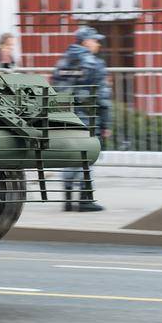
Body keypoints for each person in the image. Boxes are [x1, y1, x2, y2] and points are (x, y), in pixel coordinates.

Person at [52, 26, 111, 212]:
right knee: (88, 155)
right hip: (88, 117)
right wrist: (106, 122)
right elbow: (102, 96)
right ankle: (85, 200)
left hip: (66, 117)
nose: (98, 44)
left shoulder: (62, 62)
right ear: (86, 42)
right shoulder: (94, 63)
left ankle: (68, 200)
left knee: (70, 155)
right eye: (95, 40)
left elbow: (56, 89)